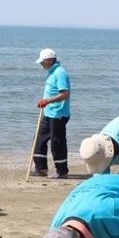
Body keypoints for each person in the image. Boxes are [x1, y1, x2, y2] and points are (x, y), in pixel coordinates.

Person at [32, 48, 71, 179]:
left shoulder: (60, 73)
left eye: (42, 62)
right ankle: (40, 169)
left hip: (58, 114)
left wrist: (47, 100)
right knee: (39, 139)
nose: (41, 64)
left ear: (49, 60)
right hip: (48, 113)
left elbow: (65, 94)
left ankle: (62, 171)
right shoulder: (52, 72)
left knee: (57, 143)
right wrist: (45, 102)